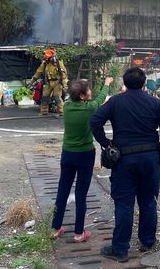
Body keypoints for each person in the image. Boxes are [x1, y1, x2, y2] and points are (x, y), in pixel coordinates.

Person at [90, 67, 160, 263]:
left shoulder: (115, 101)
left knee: (124, 204)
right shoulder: (155, 102)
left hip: (124, 160)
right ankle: (147, 242)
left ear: (125, 84)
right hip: (150, 159)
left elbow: (95, 121)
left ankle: (120, 249)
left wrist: (106, 143)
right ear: (144, 83)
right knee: (148, 201)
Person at [51, 77, 114, 243]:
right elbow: (101, 99)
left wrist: (80, 83)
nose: (90, 92)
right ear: (82, 96)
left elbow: (81, 95)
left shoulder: (67, 106)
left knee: (62, 190)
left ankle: (56, 228)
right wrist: (107, 83)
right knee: (81, 193)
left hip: (67, 154)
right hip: (85, 154)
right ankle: (79, 232)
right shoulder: (89, 108)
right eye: (88, 91)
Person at [30, 48, 68, 115]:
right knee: (45, 97)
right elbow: (39, 72)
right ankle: (44, 112)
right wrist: (32, 81)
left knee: (57, 97)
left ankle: (62, 112)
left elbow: (63, 75)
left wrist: (65, 84)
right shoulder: (45, 64)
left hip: (57, 82)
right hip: (48, 82)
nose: (47, 59)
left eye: (48, 58)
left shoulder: (58, 64)